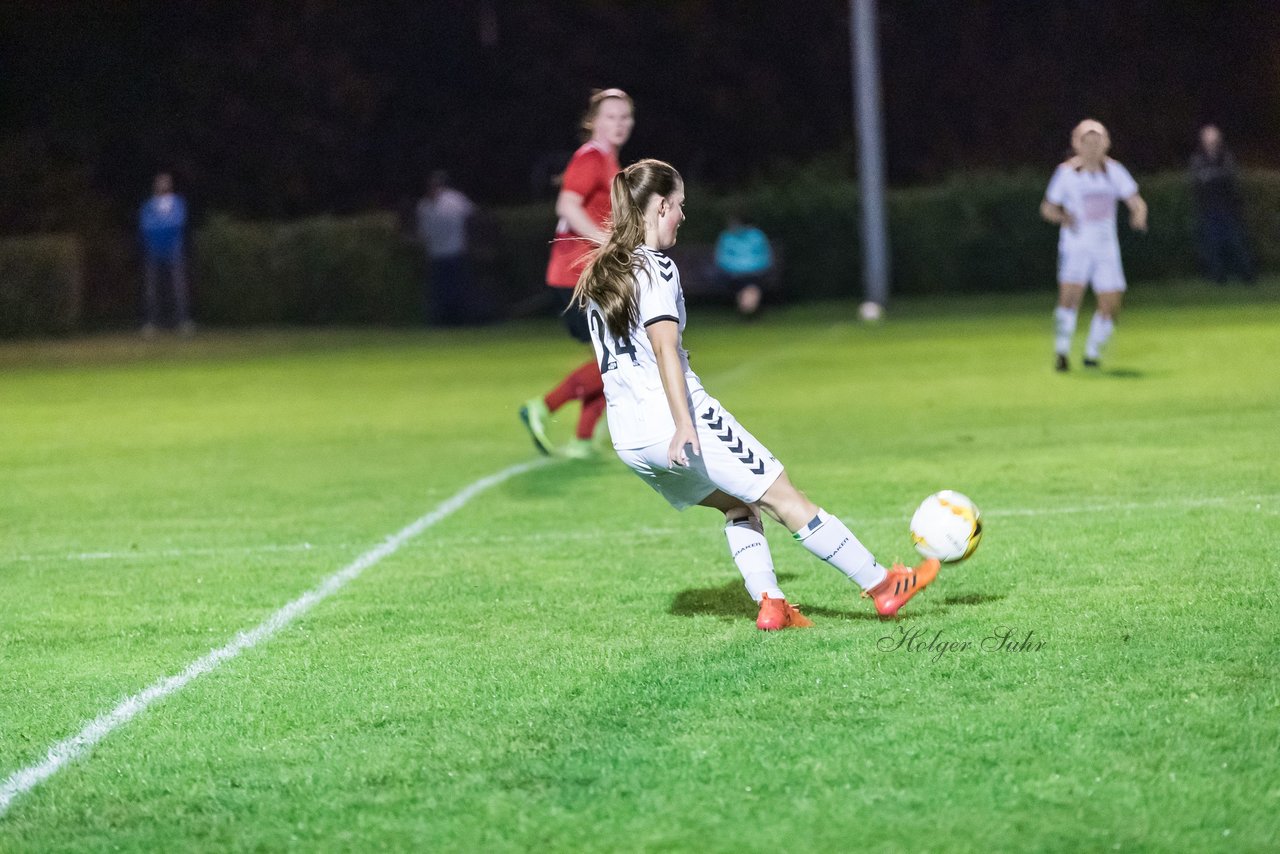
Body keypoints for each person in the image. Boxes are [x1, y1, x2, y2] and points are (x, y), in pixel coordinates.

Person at [571, 158, 940, 630]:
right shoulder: (657, 267)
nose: (684, 215)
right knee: (786, 498)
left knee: (738, 505)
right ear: (660, 205)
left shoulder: (605, 270)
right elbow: (662, 349)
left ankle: (771, 604)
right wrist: (685, 423)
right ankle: (885, 586)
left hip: (630, 439)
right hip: (678, 423)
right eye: (680, 205)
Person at [520, 88, 635, 459]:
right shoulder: (590, 156)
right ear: (593, 122)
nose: (618, 124)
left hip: (589, 273)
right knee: (618, 357)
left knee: (615, 358)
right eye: (610, 116)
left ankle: (583, 441)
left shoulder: (609, 162)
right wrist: (605, 241)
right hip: (576, 275)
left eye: (625, 117)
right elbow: (567, 204)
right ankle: (544, 406)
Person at [1040, 119, 1148, 372]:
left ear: (1106, 143)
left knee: (1111, 303)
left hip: (1106, 248)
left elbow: (1135, 200)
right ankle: (1062, 351)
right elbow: (1047, 208)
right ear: (1076, 144)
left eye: (1097, 141)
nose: (1092, 147)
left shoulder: (1114, 172)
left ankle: (1091, 352)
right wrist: (1064, 217)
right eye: (1086, 141)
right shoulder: (1067, 174)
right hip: (1076, 246)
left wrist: (1139, 214)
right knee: (1069, 298)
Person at [1190, 124, 1255, 284]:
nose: (1210, 139)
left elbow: (1230, 176)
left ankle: (1248, 276)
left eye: (1213, 135)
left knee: (1237, 242)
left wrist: (1212, 176)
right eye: (1207, 135)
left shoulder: (1226, 155)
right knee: (1213, 245)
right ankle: (1218, 277)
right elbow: (1198, 180)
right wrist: (1214, 176)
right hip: (1209, 209)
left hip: (1228, 208)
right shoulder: (1198, 158)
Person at [416, 170, 479, 325]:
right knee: (441, 293)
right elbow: (423, 232)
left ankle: (462, 321)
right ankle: (442, 322)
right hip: (437, 255)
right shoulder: (424, 206)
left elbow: (473, 217)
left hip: (455, 252)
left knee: (458, 290)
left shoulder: (454, 200)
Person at [139, 172, 192, 336]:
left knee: (178, 288)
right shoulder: (148, 205)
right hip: (153, 253)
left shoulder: (178, 203)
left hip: (174, 253)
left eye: (165, 183)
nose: (162, 186)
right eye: (160, 183)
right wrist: (163, 224)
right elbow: (146, 226)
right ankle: (151, 323)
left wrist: (161, 224)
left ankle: (182, 321)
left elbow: (178, 222)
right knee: (152, 290)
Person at [713, 210, 773, 317]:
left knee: (750, 283)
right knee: (746, 284)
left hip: (755, 273)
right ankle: (748, 311)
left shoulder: (756, 236)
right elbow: (721, 259)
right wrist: (738, 268)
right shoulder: (727, 237)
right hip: (732, 275)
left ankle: (747, 310)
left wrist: (749, 267)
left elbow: (765, 257)